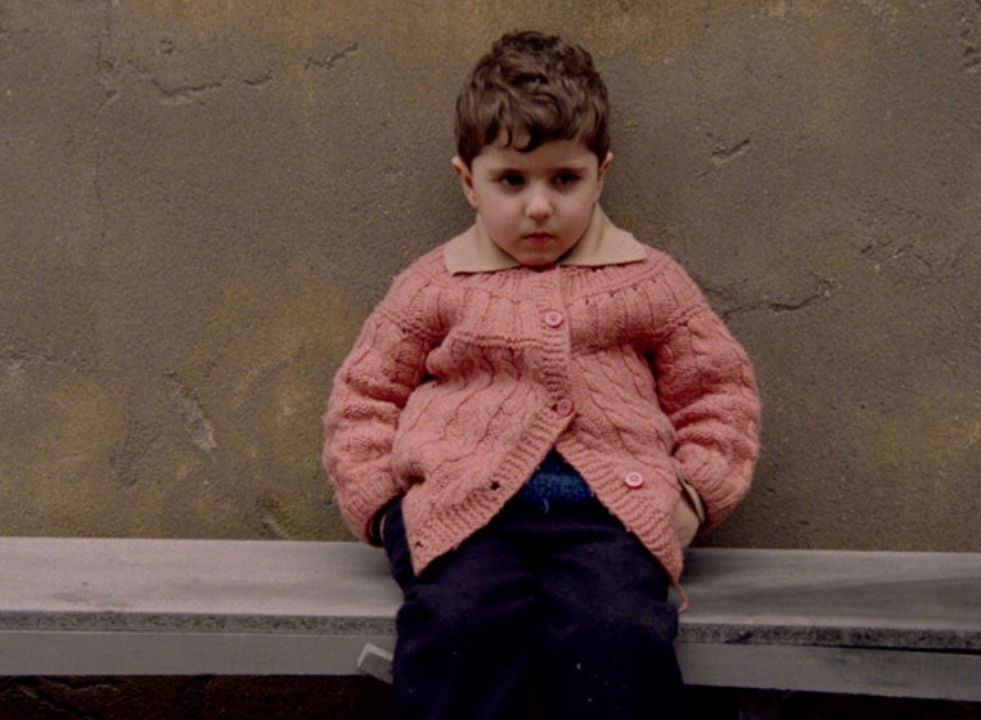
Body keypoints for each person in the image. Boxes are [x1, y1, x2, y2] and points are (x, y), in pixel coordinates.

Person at [322, 30, 761, 720]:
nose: (538, 206)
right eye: (511, 180)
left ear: (600, 175)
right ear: (468, 182)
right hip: (461, 516)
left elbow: (719, 391)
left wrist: (694, 495)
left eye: (564, 179)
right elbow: (364, 398)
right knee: (459, 629)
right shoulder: (433, 285)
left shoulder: (648, 280)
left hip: (608, 521)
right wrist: (382, 505)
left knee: (617, 636)